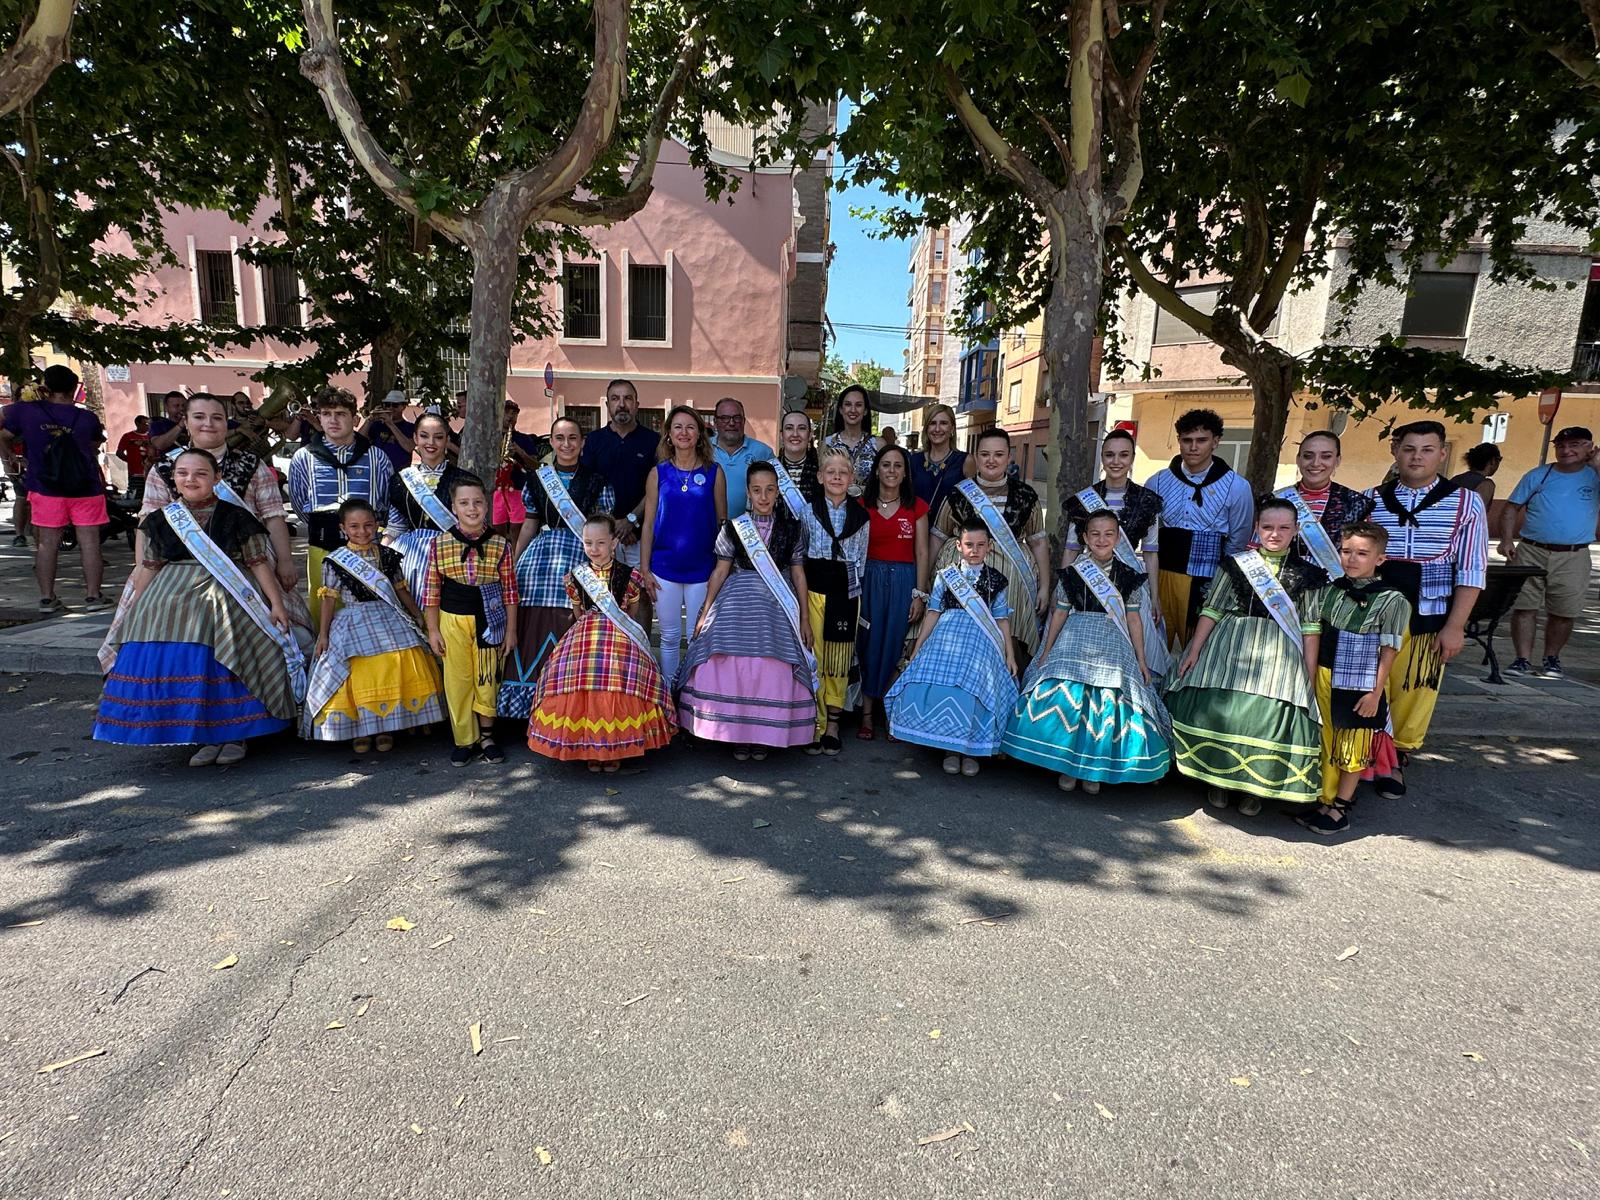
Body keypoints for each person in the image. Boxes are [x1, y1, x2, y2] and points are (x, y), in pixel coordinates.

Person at [94, 449, 302, 767]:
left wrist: (276, 604)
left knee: (227, 651)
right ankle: (203, 735)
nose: (191, 479)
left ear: (216, 478)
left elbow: (258, 563)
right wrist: (134, 609)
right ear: (174, 479)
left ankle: (234, 734)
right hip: (170, 594)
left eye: (201, 473)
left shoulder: (237, 516)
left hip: (227, 592)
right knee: (171, 654)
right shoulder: (161, 520)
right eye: (183, 473)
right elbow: (148, 567)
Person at [109, 392, 313, 666]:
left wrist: (286, 561)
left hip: (246, 565)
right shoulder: (165, 468)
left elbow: (273, 517)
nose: (209, 423)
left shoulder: (252, 465)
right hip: (176, 570)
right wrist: (138, 567)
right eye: (199, 417)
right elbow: (148, 522)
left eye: (217, 418)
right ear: (186, 422)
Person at [1166, 496, 1328, 816]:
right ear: (1257, 528)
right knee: (1224, 708)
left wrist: (1308, 675)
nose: (1275, 534)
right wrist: (1195, 649)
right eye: (1267, 527)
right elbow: (1211, 609)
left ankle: (1253, 787)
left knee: (1264, 717)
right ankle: (1218, 780)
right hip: (1231, 642)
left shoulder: (1311, 575)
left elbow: (1310, 627)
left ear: (1296, 530)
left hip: (1281, 648)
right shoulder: (1236, 564)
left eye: (1283, 528)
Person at [1005, 510, 1171, 794]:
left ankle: (1093, 769)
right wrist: (1046, 650)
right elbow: (1060, 613)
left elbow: (1133, 619)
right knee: (1066, 694)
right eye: (1094, 534)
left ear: (1118, 538)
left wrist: (1141, 659)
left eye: (1109, 534)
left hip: (1113, 641)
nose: (1101, 539)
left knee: (1107, 701)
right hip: (1074, 636)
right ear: (1084, 538)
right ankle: (1065, 766)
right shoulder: (1072, 573)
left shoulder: (1129, 576)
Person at [1365, 420, 1487, 797]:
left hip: (1430, 610)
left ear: (1443, 453)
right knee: (1370, 683)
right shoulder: (1371, 498)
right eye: (1409, 448)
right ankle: (1364, 752)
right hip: (1376, 608)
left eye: (1427, 449)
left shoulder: (1466, 502)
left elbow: (1472, 567)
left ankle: (1396, 758)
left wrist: (1456, 625)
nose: (1417, 457)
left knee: (1415, 686)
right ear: (1395, 451)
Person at [678, 461, 816, 759]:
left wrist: (804, 618)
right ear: (748, 493)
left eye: (769, 490)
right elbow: (720, 571)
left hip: (775, 606)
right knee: (729, 659)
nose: (763, 497)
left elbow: (798, 574)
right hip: (736, 602)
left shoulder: (791, 529)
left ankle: (764, 734)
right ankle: (738, 734)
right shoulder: (733, 527)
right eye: (757, 490)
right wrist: (704, 613)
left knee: (771, 664)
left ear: (778, 492)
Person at [527, 514, 676, 772]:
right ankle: (590, 749)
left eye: (600, 543)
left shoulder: (630, 576)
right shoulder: (575, 577)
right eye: (588, 543)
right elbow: (578, 613)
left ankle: (613, 748)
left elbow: (629, 615)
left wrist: (615, 631)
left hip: (619, 633)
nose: (594, 549)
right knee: (574, 680)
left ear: (613, 543)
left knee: (619, 682)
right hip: (585, 634)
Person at [302, 498, 444, 753]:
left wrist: (417, 616)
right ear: (343, 528)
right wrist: (323, 635)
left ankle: (386, 727)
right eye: (354, 526)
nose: (362, 531)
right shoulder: (335, 561)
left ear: (377, 525)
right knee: (358, 672)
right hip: (352, 620)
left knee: (393, 664)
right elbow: (328, 601)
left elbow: (401, 591)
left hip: (388, 616)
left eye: (368, 525)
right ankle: (360, 729)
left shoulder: (388, 556)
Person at [497, 417, 614, 718]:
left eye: (573, 438)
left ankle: (569, 700)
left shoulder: (598, 481)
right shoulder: (538, 480)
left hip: (581, 554)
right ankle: (528, 701)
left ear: (582, 443)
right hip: (541, 556)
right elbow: (529, 525)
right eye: (560, 438)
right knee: (531, 617)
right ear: (551, 442)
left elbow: (602, 531)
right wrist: (513, 561)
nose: (567, 444)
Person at [1300, 521, 1411, 836]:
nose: (1352, 559)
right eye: (1346, 551)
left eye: (1362, 553)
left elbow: (1389, 651)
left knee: (1353, 743)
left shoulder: (1393, 600)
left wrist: (1376, 694)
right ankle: (1324, 798)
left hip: (1361, 682)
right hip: (1324, 673)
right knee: (1327, 739)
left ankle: (1341, 807)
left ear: (1379, 559)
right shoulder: (1329, 591)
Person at [886, 519, 1020, 777]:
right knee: (946, 686)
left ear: (990, 546)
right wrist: (918, 648)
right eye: (969, 545)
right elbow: (934, 613)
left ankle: (972, 749)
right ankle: (951, 749)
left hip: (982, 640)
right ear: (958, 545)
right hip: (947, 636)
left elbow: (1002, 619)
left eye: (981, 545)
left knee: (976, 688)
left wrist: (1009, 654)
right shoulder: (945, 577)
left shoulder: (998, 580)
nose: (975, 550)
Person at [419, 474, 518, 766]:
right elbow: (431, 592)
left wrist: (511, 630)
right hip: (452, 621)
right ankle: (465, 739)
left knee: (487, 679)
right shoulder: (440, 544)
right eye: (464, 503)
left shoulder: (501, 545)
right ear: (454, 506)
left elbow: (511, 592)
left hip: (491, 620)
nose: (471, 508)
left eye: (477, 502)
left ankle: (487, 736)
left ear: (486, 506)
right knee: (458, 681)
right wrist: (433, 630)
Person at [931, 427, 1051, 665]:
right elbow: (937, 536)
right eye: (985, 454)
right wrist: (926, 581)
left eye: (998, 454)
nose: (991, 460)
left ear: (1009, 457)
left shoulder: (1026, 495)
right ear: (976, 456)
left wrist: (1045, 586)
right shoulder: (958, 494)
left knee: (1010, 640)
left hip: (1013, 581)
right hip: (962, 577)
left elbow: (1038, 542)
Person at [1061, 428, 1169, 679]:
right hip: (1088, 580)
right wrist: (1065, 585)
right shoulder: (1083, 500)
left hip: (1129, 582)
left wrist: (1155, 596)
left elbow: (1151, 553)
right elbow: (1071, 548)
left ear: (1132, 458)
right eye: (1110, 455)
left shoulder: (1147, 501)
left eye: (1123, 455)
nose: (1116, 461)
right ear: (1102, 457)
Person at [0, 365, 108, 613]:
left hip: (44, 486)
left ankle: (47, 599)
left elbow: (3, 430)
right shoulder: (87, 418)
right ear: (74, 388)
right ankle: (93, 596)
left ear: (45, 386)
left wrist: (11, 458)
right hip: (85, 487)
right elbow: (93, 448)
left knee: (47, 544)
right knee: (90, 543)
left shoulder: (26, 412)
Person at [1143, 409, 1255, 651]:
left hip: (1207, 579)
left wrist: (1220, 583)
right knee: (1154, 642)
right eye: (1187, 440)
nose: (1193, 447)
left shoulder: (1237, 486)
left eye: (1201, 440)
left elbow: (1239, 539)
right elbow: (1148, 535)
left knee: (1198, 649)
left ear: (1215, 442)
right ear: (1179, 441)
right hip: (1161, 575)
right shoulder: (1157, 482)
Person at [288, 386, 395, 627]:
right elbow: (297, 502)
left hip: (367, 549)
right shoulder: (304, 457)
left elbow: (386, 501)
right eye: (326, 413)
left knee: (370, 614)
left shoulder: (377, 457)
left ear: (355, 419)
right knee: (324, 615)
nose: (333, 420)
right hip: (323, 547)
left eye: (340, 414)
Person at [1500, 426, 1600, 679]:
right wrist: (1507, 540)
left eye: (1575, 445)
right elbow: (1511, 508)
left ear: (1590, 446)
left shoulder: (1594, 476)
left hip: (1574, 554)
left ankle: (1551, 657)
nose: (1566, 450)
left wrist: (1598, 464)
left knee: (1565, 611)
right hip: (1532, 549)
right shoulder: (1539, 475)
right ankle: (1521, 658)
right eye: (1561, 445)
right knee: (1524, 606)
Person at [639, 405, 726, 692]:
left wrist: (722, 568)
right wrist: (645, 569)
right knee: (668, 637)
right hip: (664, 569)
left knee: (697, 636)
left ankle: (693, 695)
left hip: (703, 569)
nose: (684, 433)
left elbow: (722, 523)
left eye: (690, 427)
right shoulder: (658, 473)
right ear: (668, 434)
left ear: (700, 433)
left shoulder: (714, 472)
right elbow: (649, 523)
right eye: (678, 427)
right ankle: (670, 695)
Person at [856, 445, 930, 741]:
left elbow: (922, 552)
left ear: (905, 472)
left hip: (903, 580)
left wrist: (919, 593)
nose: (891, 471)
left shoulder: (917, 507)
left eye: (897, 465)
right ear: (876, 469)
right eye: (885, 465)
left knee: (896, 645)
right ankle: (866, 715)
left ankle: (893, 713)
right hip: (870, 579)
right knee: (869, 643)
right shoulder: (863, 504)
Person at [801, 448, 871, 754]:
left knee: (839, 659)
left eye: (843, 473)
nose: (837, 477)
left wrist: (854, 592)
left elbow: (863, 560)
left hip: (845, 592)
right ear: (820, 477)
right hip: (815, 589)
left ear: (852, 478)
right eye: (831, 472)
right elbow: (800, 554)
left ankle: (832, 723)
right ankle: (813, 723)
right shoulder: (808, 511)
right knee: (814, 655)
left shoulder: (861, 517)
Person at [384, 412, 474, 598]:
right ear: (415, 438)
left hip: (455, 556)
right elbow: (395, 528)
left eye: (438, 437)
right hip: (411, 557)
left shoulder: (465, 480)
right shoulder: (400, 480)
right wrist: (382, 558)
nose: (430, 443)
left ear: (448, 440)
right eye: (424, 436)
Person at [579, 379, 660, 566]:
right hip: (601, 540)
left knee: (639, 593)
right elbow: (588, 486)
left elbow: (657, 488)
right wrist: (613, 525)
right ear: (607, 405)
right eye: (615, 399)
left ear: (637, 405)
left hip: (641, 539)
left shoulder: (654, 441)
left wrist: (631, 521)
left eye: (628, 399)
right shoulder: (594, 440)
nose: (622, 404)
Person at [1274, 431, 1375, 578]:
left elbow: (1364, 554)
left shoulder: (1356, 503)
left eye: (1326, 456)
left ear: (1338, 460)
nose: (1315, 463)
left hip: (1334, 589)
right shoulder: (1274, 501)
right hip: (1280, 588)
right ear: (1298, 459)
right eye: (1308, 456)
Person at [710, 397, 774, 519]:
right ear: (715, 422)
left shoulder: (763, 453)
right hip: (707, 529)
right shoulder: (702, 449)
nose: (731, 423)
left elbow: (777, 492)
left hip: (749, 531)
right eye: (724, 418)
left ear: (744, 421)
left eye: (737, 418)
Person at [491, 399, 546, 540]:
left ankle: (516, 559)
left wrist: (521, 453)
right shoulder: (490, 437)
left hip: (518, 489)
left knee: (517, 529)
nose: (510, 416)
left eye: (514, 414)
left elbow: (536, 466)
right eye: (506, 412)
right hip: (496, 489)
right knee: (496, 529)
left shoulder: (524, 439)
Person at [908, 403, 969, 523]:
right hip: (917, 529)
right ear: (926, 428)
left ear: (952, 428)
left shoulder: (965, 461)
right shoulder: (914, 460)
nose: (937, 429)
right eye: (932, 423)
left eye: (943, 423)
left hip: (950, 534)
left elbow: (971, 503)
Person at [823, 385, 882, 493]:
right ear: (841, 409)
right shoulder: (828, 443)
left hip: (869, 508)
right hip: (836, 507)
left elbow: (884, 482)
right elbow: (822, 482)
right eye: (848, 404)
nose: (853, 409)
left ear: (865, 411)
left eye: (858, 405)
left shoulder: (878, 444)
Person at [361, 390, 417, 473]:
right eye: (387, 405)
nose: (390, 408)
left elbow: (409, 447)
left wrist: (390, 424)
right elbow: (359, 441)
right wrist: (369, 420)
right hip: (377, 473)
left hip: (400, 475)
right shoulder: (377, 425)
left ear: (403, 406)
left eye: (395, 405)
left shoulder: (410, 427)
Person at [773, 410, 822, 506]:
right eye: (789, 428)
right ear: (781, 435)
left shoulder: (821, 472)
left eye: (802, 428)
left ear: (810, 435)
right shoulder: (769, 469)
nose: (795, 434)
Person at [1451, 442, 1503, 512]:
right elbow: (1476, 513)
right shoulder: (1486, 484)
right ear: (1493, 461)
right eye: (1499, 460)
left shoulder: (1456, 479)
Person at [116, 415, 152, 499]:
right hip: (135, 473)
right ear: (137, 424)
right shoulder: (128, 436)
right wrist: (131, 461)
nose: (148, 426)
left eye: (148, 424)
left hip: (150, 472)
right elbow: (119, 452)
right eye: (145, 424)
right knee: (136, 496)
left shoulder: (151, 436)